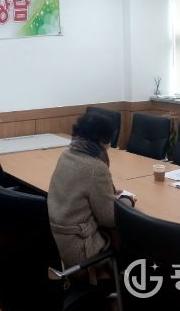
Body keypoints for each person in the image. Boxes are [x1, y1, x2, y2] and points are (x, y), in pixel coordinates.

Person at [47, 112, 135, 283]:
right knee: (134, 241)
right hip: (81, 250)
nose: (110, 145)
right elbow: (109, 219)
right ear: (102, 141)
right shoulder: (96, 167)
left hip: (57, 242)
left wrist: (108, 193)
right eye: (109, 141)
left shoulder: (65, 155)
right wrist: (128, 199)